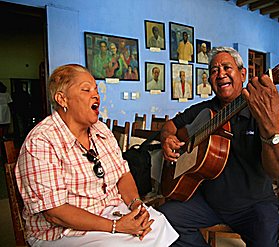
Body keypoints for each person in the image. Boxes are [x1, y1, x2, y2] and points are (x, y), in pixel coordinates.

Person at [15, 64, 178, 246]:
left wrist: (136, 205)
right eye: (86, 89)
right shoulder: (41, 141)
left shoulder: (100, 130)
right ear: (62, 99)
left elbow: (123, 174)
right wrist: (115, 226)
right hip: (60, 231)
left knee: (158, 223)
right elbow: (55, 212)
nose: (96, 95)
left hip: (108, 211)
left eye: (96, 89)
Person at [159, 47, 279, 247]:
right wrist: (167, 138)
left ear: (243, 73)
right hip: (209, 202)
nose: (220, 74)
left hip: (254, 205)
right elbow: (170, 126)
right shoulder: (203, 110)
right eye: (214, 70)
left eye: (226, 67)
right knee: (166, 217)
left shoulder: (260, 111)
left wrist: (271, 130)